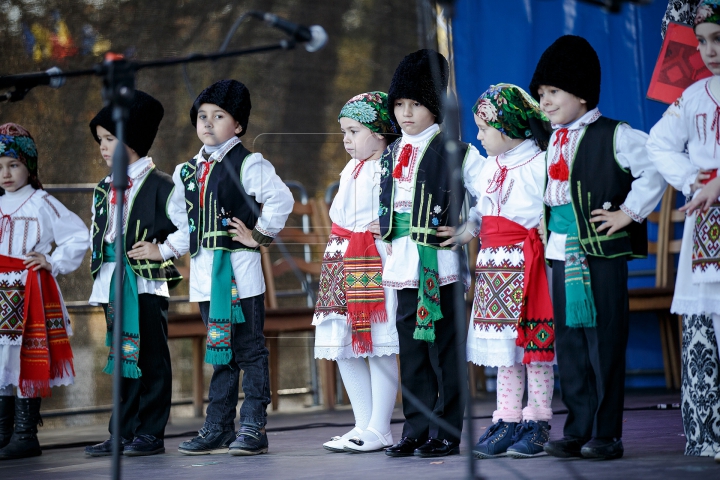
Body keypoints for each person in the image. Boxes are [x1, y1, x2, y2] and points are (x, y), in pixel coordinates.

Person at [528, 35, 667, 460]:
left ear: (582, 92)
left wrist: (628, 213)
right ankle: (578, 428)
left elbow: (656, 169)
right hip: (560, 252)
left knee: (603, 341)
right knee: (569, 344)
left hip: (600, 254)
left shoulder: (616, 135)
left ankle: (607, 433)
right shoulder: (552, 139)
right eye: (541, 94)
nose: (545, 101)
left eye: (553, 92)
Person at [165, 79, 294, 456]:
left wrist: (260, 235)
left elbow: (280, 199)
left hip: (240, 273)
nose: (207, 123)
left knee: (250, 349)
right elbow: (182, 220)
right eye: (202, 116)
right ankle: (218, 426)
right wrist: (166, 250)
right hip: (206, 277)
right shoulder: (186, 171)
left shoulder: (249, 163)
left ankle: (254, 424)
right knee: (220, 349)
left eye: (218, 116)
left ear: (237, 126)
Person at [377, 49, 483, 458]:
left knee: (444, 349)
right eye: (400, 104)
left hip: (440, 265)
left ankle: (446, 429)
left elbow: (488, 193)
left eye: (416, 104)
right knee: (413, 350)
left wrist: (468, 228)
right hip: (403, 264)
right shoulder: (388, 154)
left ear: (435, 105)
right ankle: (416, 427)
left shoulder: (458, 151)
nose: (406, 113)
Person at [440, 84, 555, 459]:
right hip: (493, 266)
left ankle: (536, 420)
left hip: (528, 264)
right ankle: (506, 419)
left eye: (484, 129)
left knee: (532, 348)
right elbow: (480, 208)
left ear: (507, 127)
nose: (478, 136)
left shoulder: (540, 163)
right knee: (505, 351)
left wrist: (546, 223)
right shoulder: (490, 167)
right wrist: (467, 229)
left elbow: (553, 202)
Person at [84, 91, 183, 457]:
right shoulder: (102, 188)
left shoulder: (162, 184)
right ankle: (122, 431)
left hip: (144, 282)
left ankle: (150, 433)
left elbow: (188, 228)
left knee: (151, 358)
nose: (103, 148)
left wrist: (163, 250)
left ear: (134, 139)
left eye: (110, 138)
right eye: (100, 141)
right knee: (122, 354)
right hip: (111, 282)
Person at [646, 1, 720, 462]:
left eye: (719, 40)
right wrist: (695, 180)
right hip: (705, 224)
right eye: (704, 42)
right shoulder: (694, 96)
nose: (711, 51)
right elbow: (658, 142)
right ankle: (707, 432)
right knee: (703, 324)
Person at [313, 92, 399, 453]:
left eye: (353, 131)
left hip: (371, 259)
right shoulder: (353, 166)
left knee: (377, 343)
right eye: (344, 132)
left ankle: (381, 427)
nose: (346, 140)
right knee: (343, 343)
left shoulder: (391, 167)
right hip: (341, 256)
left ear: (379, 132)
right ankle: (361, 423)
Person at [0, 123, 89, 460]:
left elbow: (78, 235)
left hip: (29, 291)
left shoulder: (41, 202)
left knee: (23, 358)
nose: (6, 174)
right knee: (1, 359)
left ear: (29, 166)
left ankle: (25, 435)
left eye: (13, 164)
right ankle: (4, 432)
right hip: (1, 293)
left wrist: (53, 261)